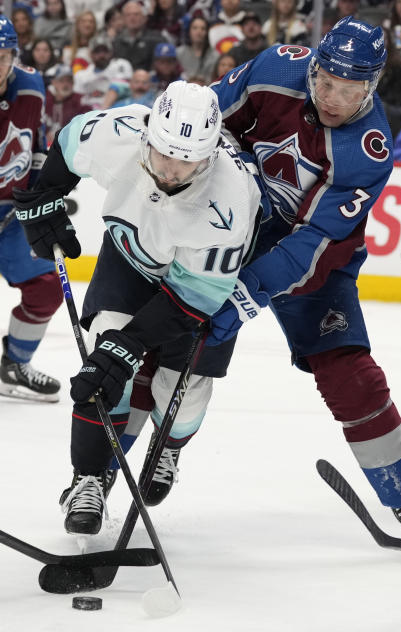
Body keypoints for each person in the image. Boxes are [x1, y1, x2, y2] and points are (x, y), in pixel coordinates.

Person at [208, 16, 401, 545]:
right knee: (180, 340)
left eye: (348, 89)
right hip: (235, 227)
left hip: (317, 262)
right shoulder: (275, 68)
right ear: (313, 66)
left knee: (352, 375)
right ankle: (129, 462)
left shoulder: (368, 151)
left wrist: (246, 292)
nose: (332, 98)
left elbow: (311, 245)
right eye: (324, 81)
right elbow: (205, 118)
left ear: (372, 86)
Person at [13, 80, 262, 534]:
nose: (171, 170)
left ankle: (168, 446)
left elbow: (193, 299)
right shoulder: (121, 130)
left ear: (209, 156)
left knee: (181, 398)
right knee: (102, 370)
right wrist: (44, 200)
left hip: (198, 286)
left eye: (187, 161)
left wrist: (128, 346)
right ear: (147, 134)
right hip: (130, 256)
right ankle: (88, 479)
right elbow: (69, 143)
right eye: (164, 153)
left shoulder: (230, 198)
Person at [0, 17, 63, 403]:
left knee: (48, 286)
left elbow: (36, 143)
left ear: (12, 55)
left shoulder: (31, 86)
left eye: (2, 55)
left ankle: (14, 364)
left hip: (11, 212)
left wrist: (38, 190)